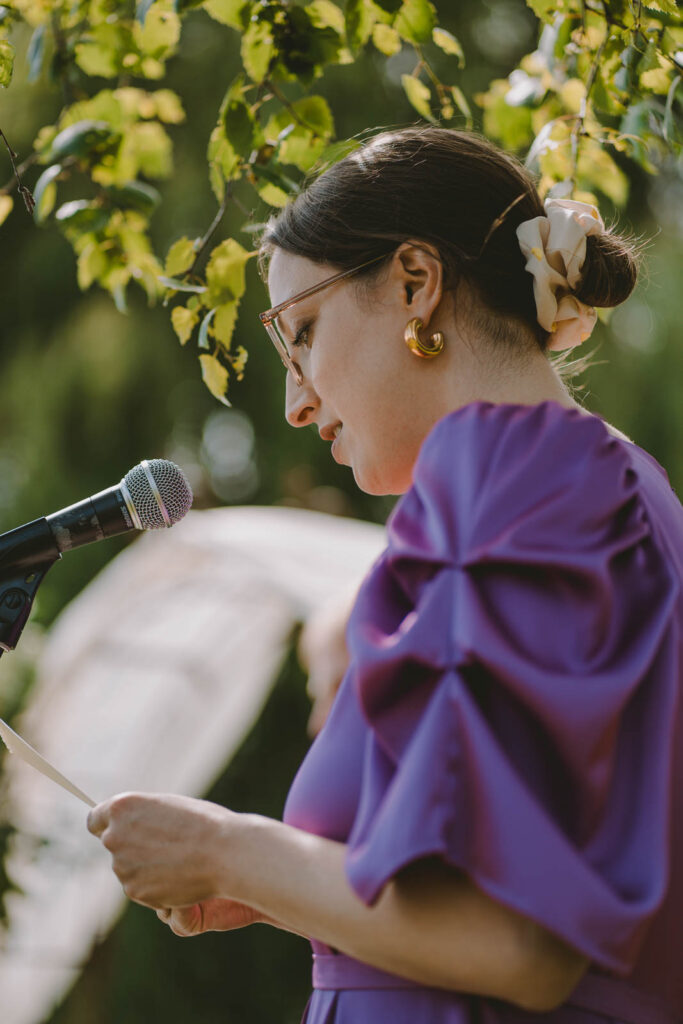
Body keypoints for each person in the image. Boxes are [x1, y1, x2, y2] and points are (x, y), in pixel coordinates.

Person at [87, 126, 683, 1024]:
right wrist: (288, 890)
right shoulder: (609, 484)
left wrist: (230, 853)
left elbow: (517, 943)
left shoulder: (510, 481)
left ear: (414, 281)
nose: (293, 403)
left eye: (304, 334)